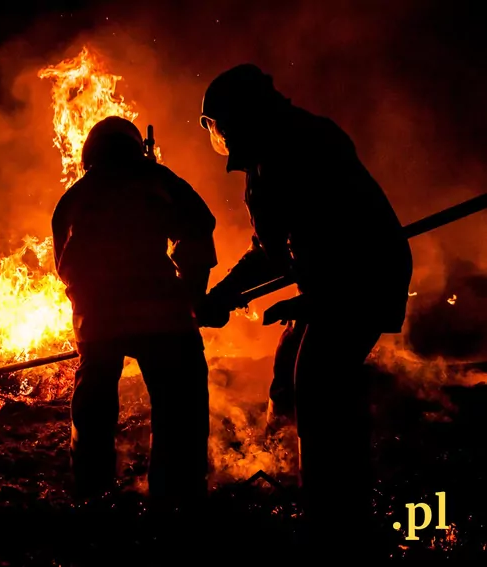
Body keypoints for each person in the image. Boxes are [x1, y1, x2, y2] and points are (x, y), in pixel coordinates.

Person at [196, 64, 413, 556]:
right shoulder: (281, 144)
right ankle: (315, 485)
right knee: (294, 366)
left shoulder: (288, 151)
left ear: (241, 116)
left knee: (318, 382)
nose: (222, 135)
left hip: (361, 276)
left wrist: (309, 298)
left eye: (223, 123)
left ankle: (336, 521)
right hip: (342, 277)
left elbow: (339, 236)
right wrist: (227, 295)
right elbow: (275, 249)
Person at [51, 116, 217, 507]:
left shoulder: (75, 196)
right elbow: (197, 230)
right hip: (163, 316)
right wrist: (193, 295)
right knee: (181, 402)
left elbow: (65, 266)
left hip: (100, 320)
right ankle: (177, 500)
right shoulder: (156, 180)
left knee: (93, 407)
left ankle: (92, 497)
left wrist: (89, 310)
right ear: (137, 149)